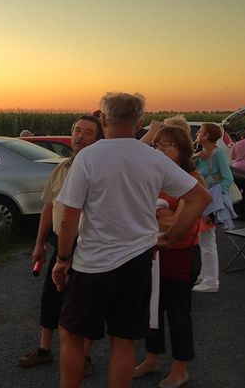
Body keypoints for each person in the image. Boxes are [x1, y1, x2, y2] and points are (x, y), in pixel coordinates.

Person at [51, 92, 211, 388]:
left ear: (103, 118)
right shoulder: (152, 158)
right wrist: (169, 238)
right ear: (139, 122)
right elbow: (199, 197)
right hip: (138, 262)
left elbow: (68, 217)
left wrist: (62, 259)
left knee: (71, 333)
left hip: (93, 264)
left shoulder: (89, 157)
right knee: (123, 340)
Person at [18, 115, 103, 374]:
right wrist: (40, 244)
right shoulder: (62, 168)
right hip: (60, 243)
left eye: (88, 132)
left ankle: (84, 357)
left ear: (99, 139)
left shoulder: (100, 171)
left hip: (89, 245)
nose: (80, 136)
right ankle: (44, 349)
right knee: (51, 297)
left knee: (88, 303)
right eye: (77, 130)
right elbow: (49, 206)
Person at [133, 126, 204, 388]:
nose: (160, 149)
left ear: (183, 149)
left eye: (168, 145)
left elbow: (180, 220)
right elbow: (143, 212)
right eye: (158, 144)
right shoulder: (157, 177)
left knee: (178, 314)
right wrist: (160, 218)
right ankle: (151, 359)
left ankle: (180, 369)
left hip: (180, 255)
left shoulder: (192, 178)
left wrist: (161, 218)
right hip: (153, 254)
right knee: (152, 309)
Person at [192, 123, 235, 292]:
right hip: (204, 202)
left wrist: (216, 198)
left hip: (210, 203)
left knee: (208, 240)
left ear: (207, 135)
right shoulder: (204, 155)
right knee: (204, 239)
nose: (197, 134)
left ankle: (211, 281)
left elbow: (228, 178)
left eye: (201, 132)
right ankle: (205, 275)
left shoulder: (218, 154)